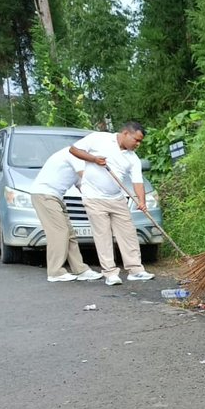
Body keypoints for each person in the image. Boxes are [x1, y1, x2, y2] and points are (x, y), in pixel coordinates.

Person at [69, 122, 155, 286]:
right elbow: (73, 150)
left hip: (117, 198)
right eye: (136, 140)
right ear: (125, 134)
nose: (138, 144)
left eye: (140, 142)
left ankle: (135, 270)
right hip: (93, 196)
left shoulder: (132, 158)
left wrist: (141, 201)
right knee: (103, 234)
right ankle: (110, 272)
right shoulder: (99, 138)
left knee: (128, 233)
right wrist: (93, 159)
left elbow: (138, 182)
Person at [28, 146, 104, 282]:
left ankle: (80, 270)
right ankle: (55, 272)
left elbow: (83, 187)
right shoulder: (75, 154)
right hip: (44, 195)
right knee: (59, 232)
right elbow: (86, 178)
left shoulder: (83, 163)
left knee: (69, 234)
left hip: (55, 196)